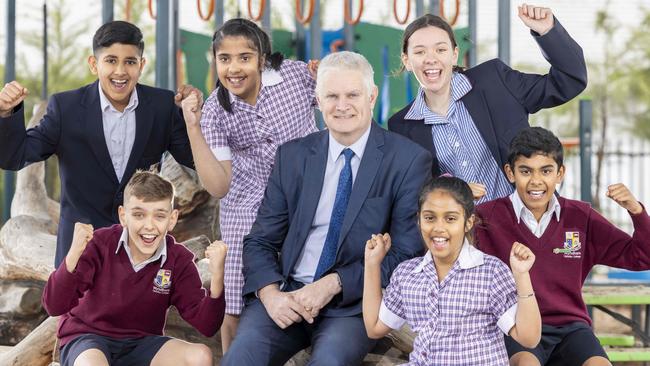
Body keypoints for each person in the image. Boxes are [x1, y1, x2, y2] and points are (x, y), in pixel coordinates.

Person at [219, 51, 432, 365]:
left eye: (352, 95)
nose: (342, 105)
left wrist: (334, 284)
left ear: (371, 96)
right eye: (331, 95)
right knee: (239, 361)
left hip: (352, 305)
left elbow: (405, 255)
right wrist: (270, 294)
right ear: (317, 100)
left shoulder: (407, 160)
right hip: (287, 295)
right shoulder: (293, 156)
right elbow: (260, 241)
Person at [0, 21, 198, 267]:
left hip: (140, 255)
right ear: (94, 64)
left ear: (142, 65)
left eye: (130, 61)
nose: (120, 71)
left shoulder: (162, 106)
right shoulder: (66, 108)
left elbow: (195, 160)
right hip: (80, 255)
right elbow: (14, 157)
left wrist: (194, 120)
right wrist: (7, 114)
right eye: (111, 60)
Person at [180, 18, 318, 351]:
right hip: (247, 204)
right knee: (236, 303)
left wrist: (326, 74)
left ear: (261, 58)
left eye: (244, 57)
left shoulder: (296, 76)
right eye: (224, 58)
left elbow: (340, 104)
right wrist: (193, 128)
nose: (234, 68)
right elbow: (218, 186)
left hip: (306, 196)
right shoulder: (214, 110)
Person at [475, 127, 650, 366]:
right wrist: (459, 203)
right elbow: (446, 250)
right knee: (526, 363)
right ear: (510, 173)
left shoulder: (581, 216)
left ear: (560, 174)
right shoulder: (487, 216)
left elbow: (641, 257)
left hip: (571, 328)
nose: (536, 181)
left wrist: (637, 212)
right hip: (515, 325)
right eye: (525, 171)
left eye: (546, 171)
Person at [388, 4, 587, 203]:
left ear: (454, 54)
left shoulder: (495, 81)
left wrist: (547, 31)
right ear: (407, 60)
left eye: (440, 49)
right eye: (420, 52)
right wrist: (453, 189)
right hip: (464, 232)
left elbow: (569, 81)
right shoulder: (401, 127)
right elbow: (414, 194)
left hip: (527, 224)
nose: (431, 59)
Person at [41, 170, 226, 366]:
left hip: (141, 343)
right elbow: (54, 306)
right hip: (88, 338)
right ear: (123, 216)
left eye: (159, 216)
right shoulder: (100, 244)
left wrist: (217, 276)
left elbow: (207, 326)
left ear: (172, 219)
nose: (149, 226)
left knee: (199, 357)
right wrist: (73, 254)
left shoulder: (178, 260)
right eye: (139, 215)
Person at [363, 176, 541, 364]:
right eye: (430, 218)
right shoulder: (407, 274)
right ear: (419, 220)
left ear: (468, 222)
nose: (439, 228)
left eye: (450, 219)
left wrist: (521, 275)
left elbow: (529, 338)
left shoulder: (491, 272)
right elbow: (375, 327)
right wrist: (372, 264)